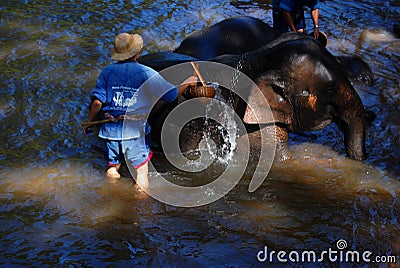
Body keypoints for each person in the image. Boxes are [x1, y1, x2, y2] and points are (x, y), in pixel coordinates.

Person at [84, 32, 198, 189]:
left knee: (112, 168)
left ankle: (110, 194)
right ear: (136, 52)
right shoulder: (146, 73)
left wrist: (89, 123)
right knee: (141, 171)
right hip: (134, 131)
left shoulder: (107, 72)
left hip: (110, 130)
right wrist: (187, 82)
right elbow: (171, 95)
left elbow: (97, 103)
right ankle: (142, 208)